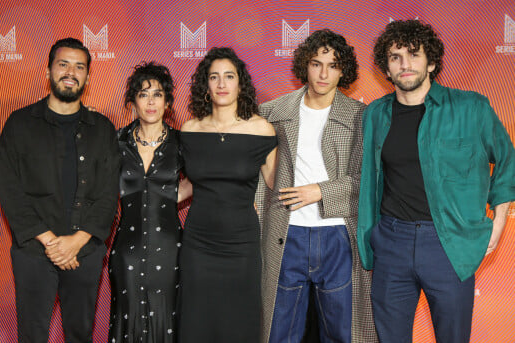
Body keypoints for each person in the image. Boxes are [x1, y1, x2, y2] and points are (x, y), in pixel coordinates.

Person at [357, 19, 515, 343]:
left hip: (449, 244)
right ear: (385, 69)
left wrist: (498, 222)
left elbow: (508, 159)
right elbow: (370, 180)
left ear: (431, 63)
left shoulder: (471, 107)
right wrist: (373, 237)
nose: (405, 64)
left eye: (414, 55)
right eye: (395, 57)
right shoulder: (376, 113)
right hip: (391, 241)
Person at [256, 29, 377, 343]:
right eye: (316, 63)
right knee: (279, 332)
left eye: (333, 65)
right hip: (286, 233)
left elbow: (370, 181)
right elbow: (258, 182)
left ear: (343, 70)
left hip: (337, 235)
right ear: (304, 66)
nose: (324, 73)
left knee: (341, 333)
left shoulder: (360, 116)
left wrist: (320, 190)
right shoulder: (272, 113)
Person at [0, 37, 119, 342]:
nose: (70, 72)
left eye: (79, 67)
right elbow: (11, 191)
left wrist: (77, 241)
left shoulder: (102, 129)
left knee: (80, 334)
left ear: (88, 77)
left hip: (85, 251)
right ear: (47, 71)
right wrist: (53, 243)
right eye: (63, 64)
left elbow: (108, 194)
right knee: (32, 334)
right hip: (34, 250)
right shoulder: (19, 124)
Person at [178, 47, 277, 342]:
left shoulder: (261, 129)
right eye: (214, 77)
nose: (222, 84)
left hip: (242, 246)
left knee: (240, 325)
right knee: (197, 323)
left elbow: (275, 185)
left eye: (229, 76)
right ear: (205, 86)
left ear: (240, 83)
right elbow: (189, 185)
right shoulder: (191, 129)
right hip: (198, 245)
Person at [108, 62, 191, 342]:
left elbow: (203, 177)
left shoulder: (181, 143)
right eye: (143, 94)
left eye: (158, 94)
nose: (151, 101)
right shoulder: (115, 141)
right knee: (127, 317)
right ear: (133, 101)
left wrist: (171, 195)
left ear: (168, 102)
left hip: (170, 250)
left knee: (167, 319)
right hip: (126, 250)